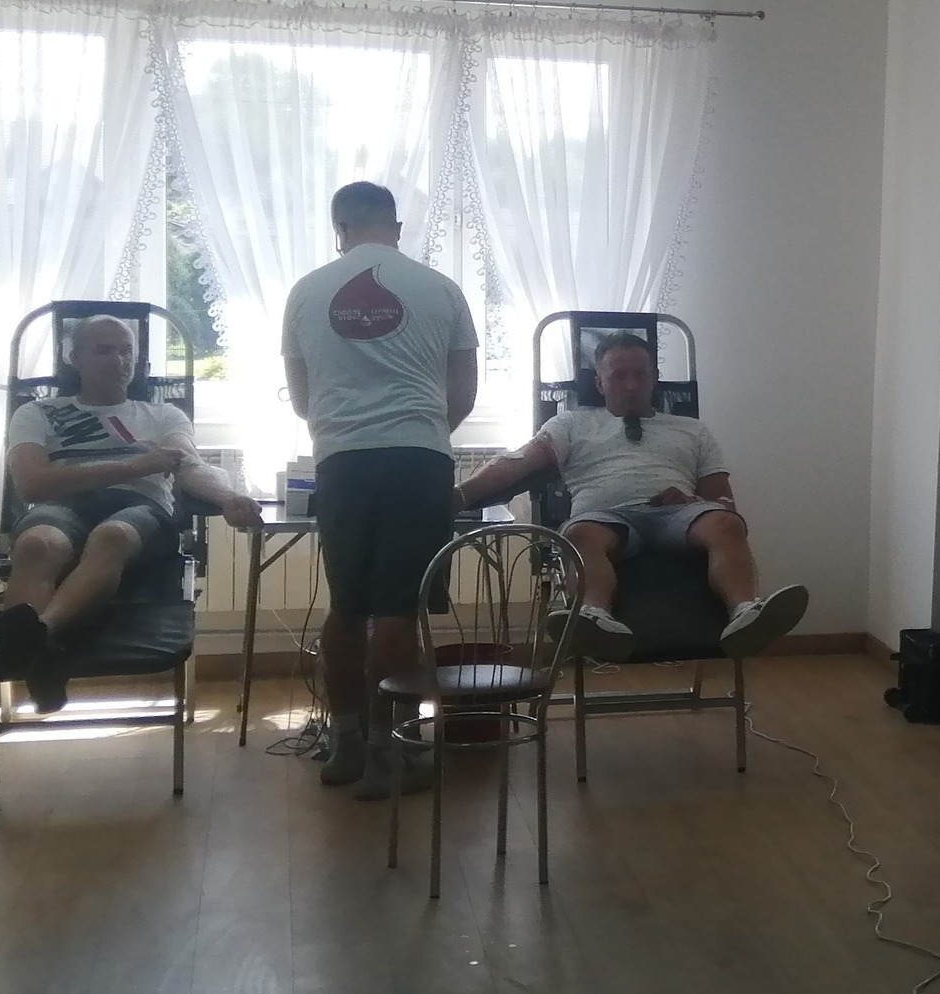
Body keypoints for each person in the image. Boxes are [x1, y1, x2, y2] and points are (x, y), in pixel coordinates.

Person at [283, 181, 479, 800]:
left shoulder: (306, 291)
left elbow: (301, 400)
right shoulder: (441, 288)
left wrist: (349, 426)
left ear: (338, 228)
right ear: (395, 226)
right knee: (399, 608)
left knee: (347, 607)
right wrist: (418, 430)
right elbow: (463, 394)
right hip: (418, 459)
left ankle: (344, 744)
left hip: (341, 462)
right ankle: (387, 751)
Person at [454, 332, 808, 661]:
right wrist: (456, 497)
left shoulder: (693, 430)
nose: (631, 385)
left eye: (641, 375)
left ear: (654, 378)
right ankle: (593, 617)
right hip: (603, 518)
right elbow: (517, 463)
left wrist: (696, 503)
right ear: (599, 383)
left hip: (679, 517)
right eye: (618, 376)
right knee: (578, 535)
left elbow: (725, 502)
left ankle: (746, 613)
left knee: (727, 524)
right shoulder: (571, 424)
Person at [0, 315, 261, 712]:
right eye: (104, 350)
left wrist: (229, 498)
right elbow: (31, 484)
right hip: (62, 506)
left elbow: (191, 467)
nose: (119, 361)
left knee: (112, 536)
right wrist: (132, 466)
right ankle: (40, 652)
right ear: (73, 357)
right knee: (34, 544)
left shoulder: (162, 415)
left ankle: (36, 640)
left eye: (126, 351)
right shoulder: (38, 413)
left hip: (139, 509)